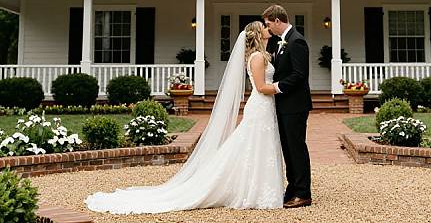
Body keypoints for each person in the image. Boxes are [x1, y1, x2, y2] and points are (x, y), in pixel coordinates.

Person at [85, 21, 284, 214]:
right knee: (254, 145)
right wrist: (281, 86)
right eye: (264, 27)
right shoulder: (257, 57)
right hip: (260, 106)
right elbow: (261, 87)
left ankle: (258, 189)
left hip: (264, 107)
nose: (268, 29)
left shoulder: (261, 55)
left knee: (258, 146)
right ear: (258, 34)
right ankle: (251, 191)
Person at [263, 4, 313, 209]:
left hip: (295, 105)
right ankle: (292, 189)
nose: (268, 28)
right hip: (284, 106)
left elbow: (299, 75)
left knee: (296, 149)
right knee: (288, 149)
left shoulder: (297, 41)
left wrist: (275, 87)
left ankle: (303, 193)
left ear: (277, 20)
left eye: (268, 24)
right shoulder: (280, 42)